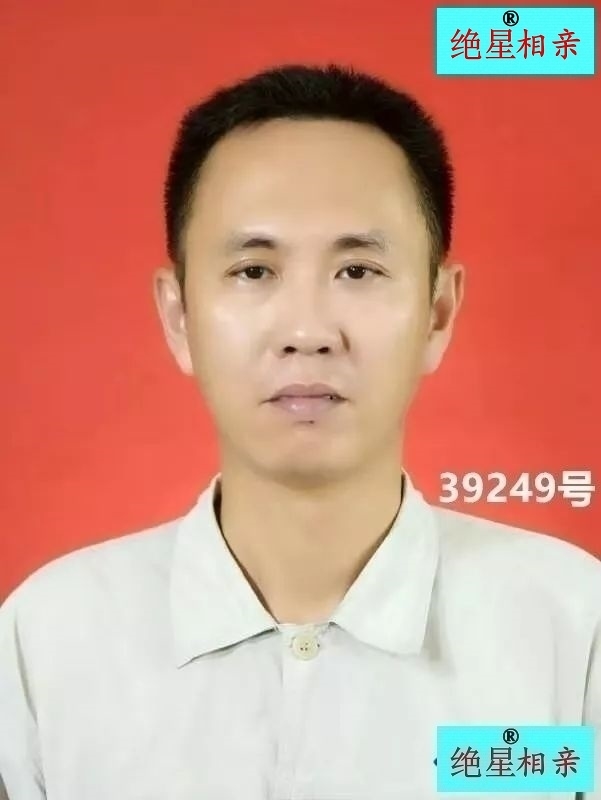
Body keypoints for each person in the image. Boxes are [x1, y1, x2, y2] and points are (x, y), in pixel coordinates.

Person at [0, 62, 599, 800]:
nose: (308, 331)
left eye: (358, 270)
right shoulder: (47, 642)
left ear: (438, 312)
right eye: (253, 271)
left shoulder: (571, 630)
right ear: (178, 316)